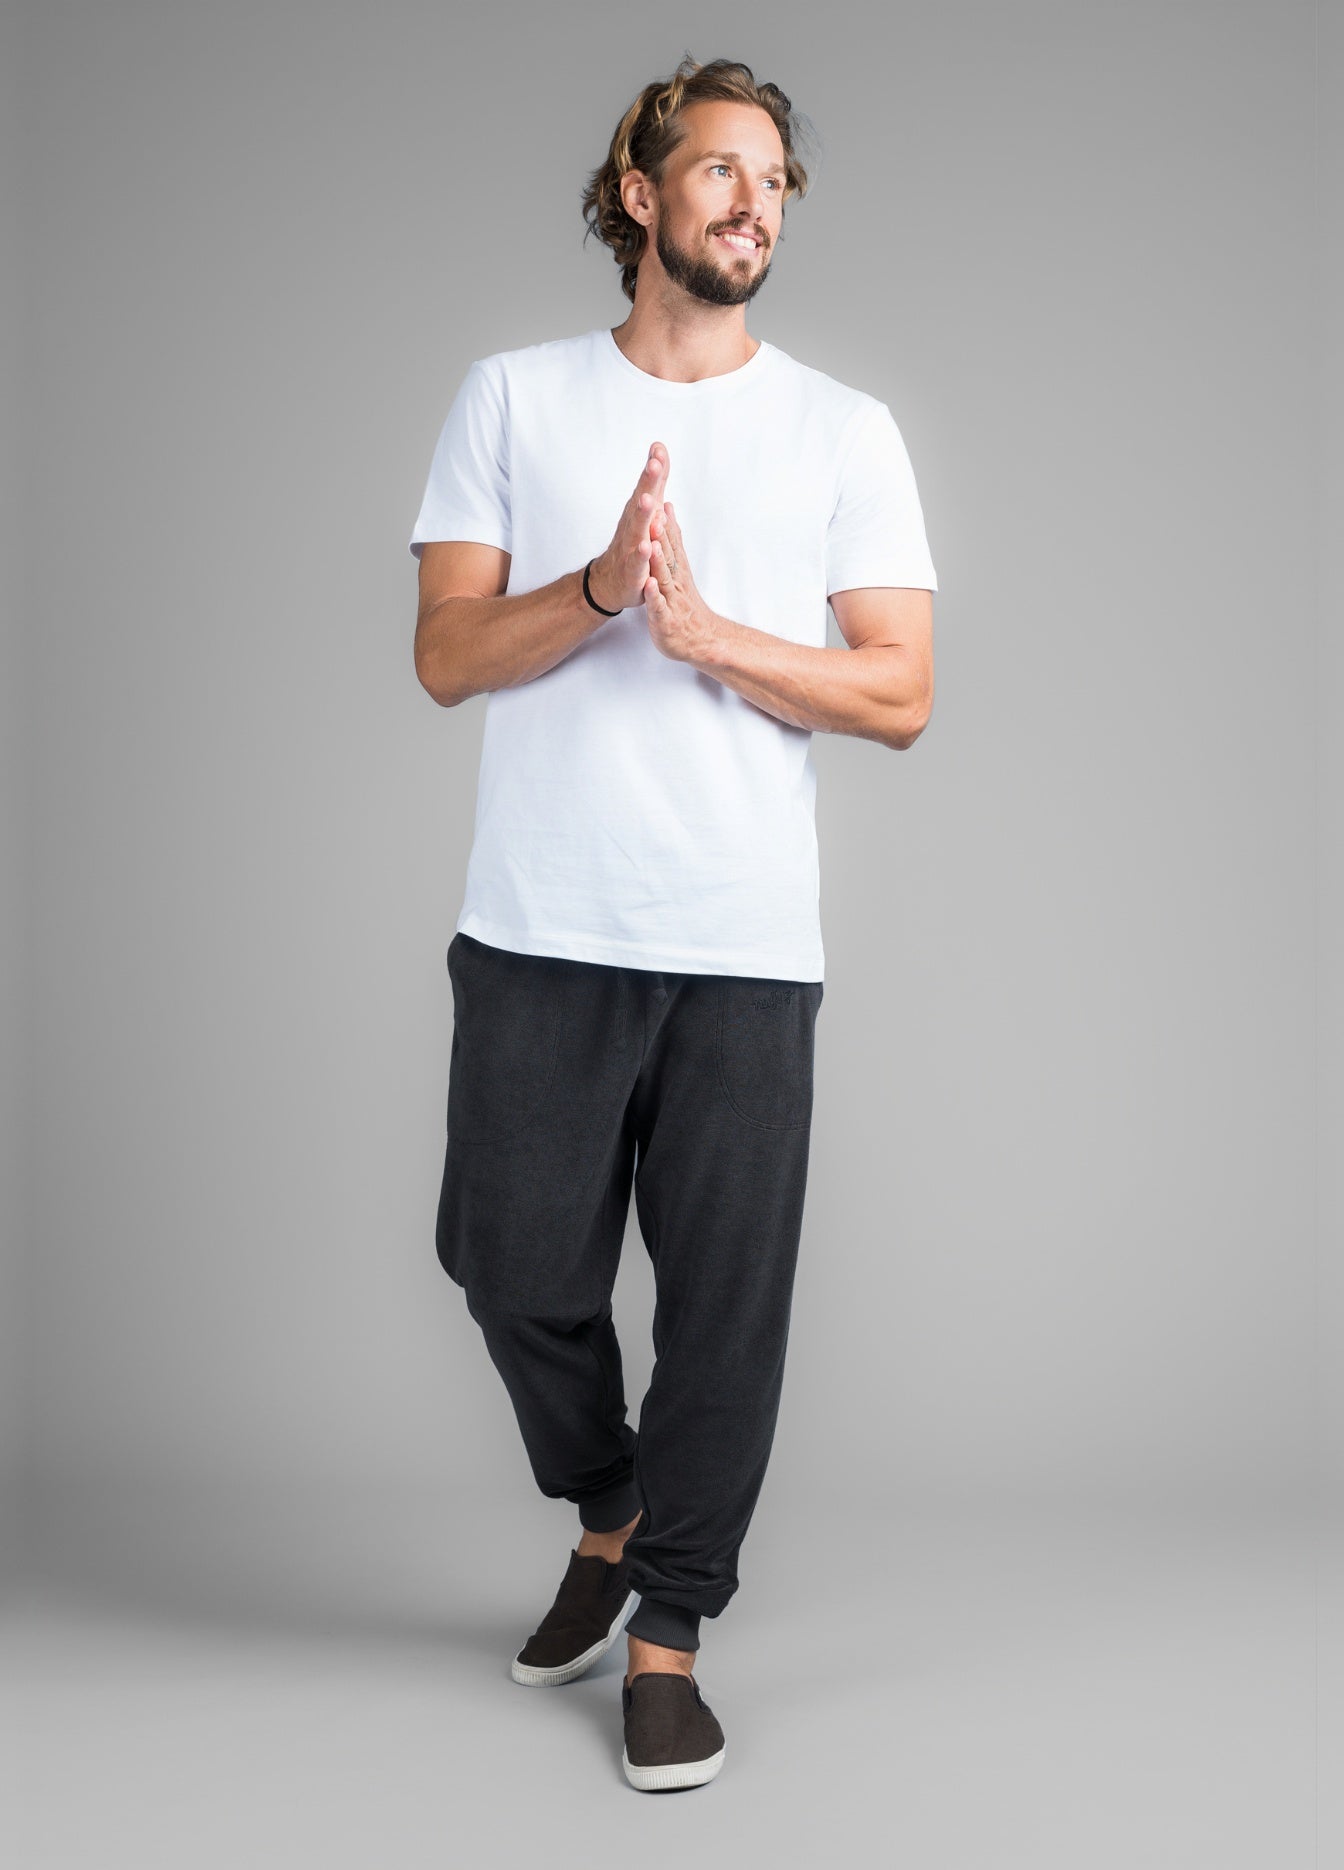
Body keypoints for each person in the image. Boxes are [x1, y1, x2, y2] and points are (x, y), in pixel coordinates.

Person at [408, 53, 937, 1792]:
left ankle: (668, 1638)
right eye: (721, 170)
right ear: (640, 194)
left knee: (725, 1308)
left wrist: (709, 636)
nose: (754, 203)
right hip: (538, 923)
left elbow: (900, 688)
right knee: (507, 1265)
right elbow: (446, 655)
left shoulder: (844, 428)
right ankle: (613, 1503)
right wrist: (600, 589)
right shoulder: (512, 396)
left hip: (742, 948)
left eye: (776, 180)